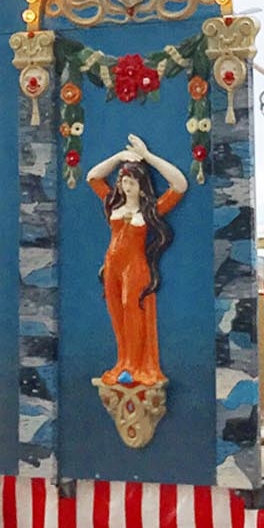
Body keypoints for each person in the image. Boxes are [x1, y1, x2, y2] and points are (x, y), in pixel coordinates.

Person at [86, 133, 187, 386]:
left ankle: (135, 364)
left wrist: (149, 157)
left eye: (131, 182)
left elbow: (180, 185)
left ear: (141, 186)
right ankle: (123, 361)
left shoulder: (150, 210)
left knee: (133, 311)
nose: (125, 186)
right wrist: (119, 156)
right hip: (112, 267)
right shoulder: (113, 204)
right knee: (116, 313)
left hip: (136, 268)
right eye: (123, 181)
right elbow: (93, 177)